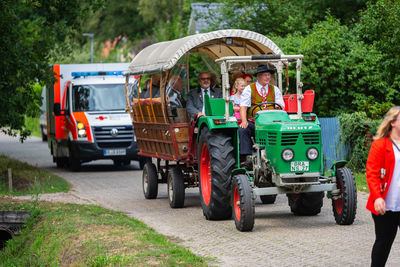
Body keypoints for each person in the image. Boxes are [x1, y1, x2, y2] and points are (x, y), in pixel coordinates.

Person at [366, 106, 400, 267]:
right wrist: (378, 197)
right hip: (385, 204)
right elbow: (372, 173)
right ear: (393, 122)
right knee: (383, 243)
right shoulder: (380, 145)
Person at [238, 64, 285, 168]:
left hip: (271, 122)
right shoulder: (249, 89)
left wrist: (279, 107)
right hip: (255, 122)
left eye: (269, 75)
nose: (268, 77)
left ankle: (283, 155)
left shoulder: (275, 89)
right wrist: (244, 121)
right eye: (265, 75)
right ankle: (247, 157)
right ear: (259, 76)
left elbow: (281, 106)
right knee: (243, 129)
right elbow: (243, 107)